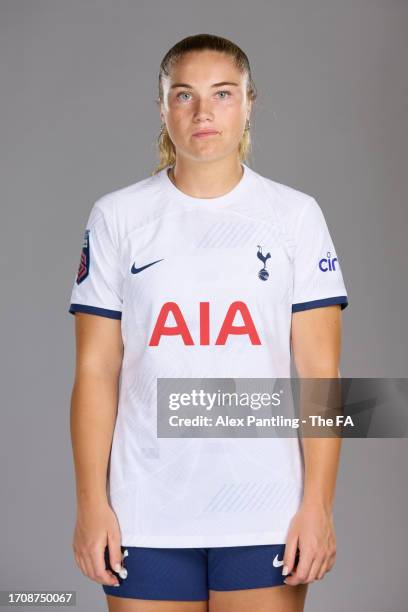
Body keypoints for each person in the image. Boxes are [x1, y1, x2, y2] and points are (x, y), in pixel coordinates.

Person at [68, 33, 349, 612]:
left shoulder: (294, 216)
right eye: (184, 95)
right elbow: (96, 371)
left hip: (266, 508)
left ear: (250, 101)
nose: (203, 112)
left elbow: (323, 372)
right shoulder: (118, 216)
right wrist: (91, 504)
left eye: (223, 94)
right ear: (162, 105)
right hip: (144, 510)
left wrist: (318, 506)